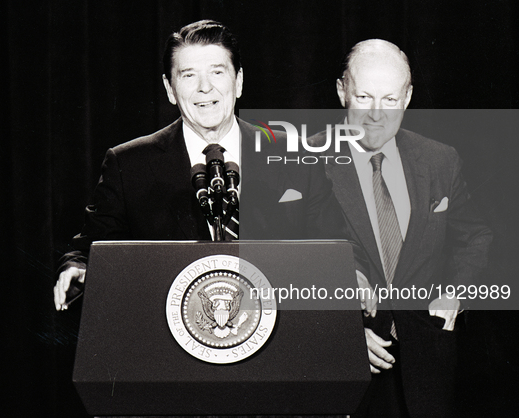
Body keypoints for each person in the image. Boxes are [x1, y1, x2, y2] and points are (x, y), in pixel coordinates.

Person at [54, 20, 367, 310]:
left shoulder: (293, 155)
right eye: (189, 75)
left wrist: (352, 273)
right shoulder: (129, 164)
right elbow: (88, 250)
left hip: (278, 343)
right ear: (169, 89)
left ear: (239, 81)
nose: (205, 87)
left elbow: (340, 246)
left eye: (217, 72)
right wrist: (77, 269)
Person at [310, 40, 492, 417]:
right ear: (342, 90)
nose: (376, 114)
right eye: (364, 96)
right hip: (340, 370)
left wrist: (455, 292)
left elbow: (475, 236)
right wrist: (341, 332)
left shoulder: (441, 160)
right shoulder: (302, 162)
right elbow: (281, 264)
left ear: (408, 96)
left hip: (428, 370)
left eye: (390, 99)